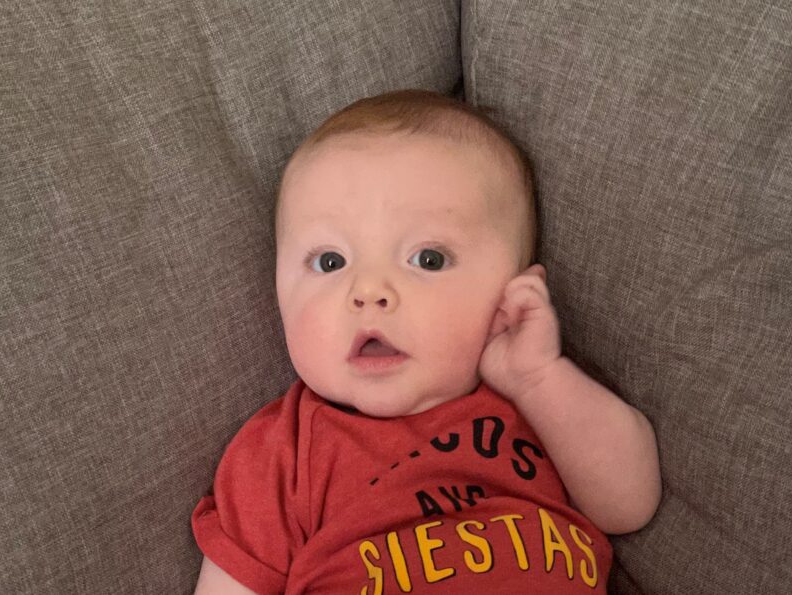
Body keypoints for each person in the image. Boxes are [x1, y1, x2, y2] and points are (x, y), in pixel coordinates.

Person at [191, 89, 661, 594]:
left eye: (428, 259)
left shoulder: (538, 402)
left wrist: (540, 379)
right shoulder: (282, 453)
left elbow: (628, 505)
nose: (368, 292)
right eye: (330, 262)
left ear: (514, 294)